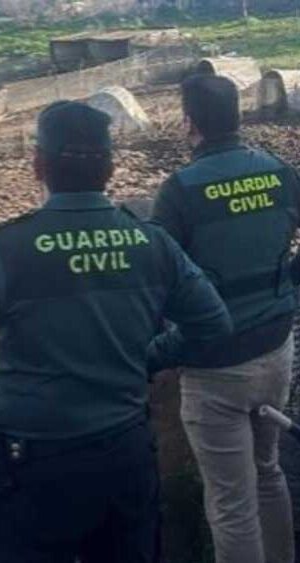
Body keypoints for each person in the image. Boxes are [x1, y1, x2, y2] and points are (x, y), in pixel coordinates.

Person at [0, 101, 233, 563]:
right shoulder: (152, 242)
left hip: (34, 470)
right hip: (128, 457)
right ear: (111, 168)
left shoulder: (5, 248)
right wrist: (150, 357)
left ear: (38, 166)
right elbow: (213, 323)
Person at [151, 74, 300, 563]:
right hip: (277, 349)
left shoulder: (179, 191)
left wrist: (159, 354)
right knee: (269, 471)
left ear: (190, 124)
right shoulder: (279, 172)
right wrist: (287, 284)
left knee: (231, 501)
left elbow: (156, 286)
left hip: (214, 367)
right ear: (238, 117)